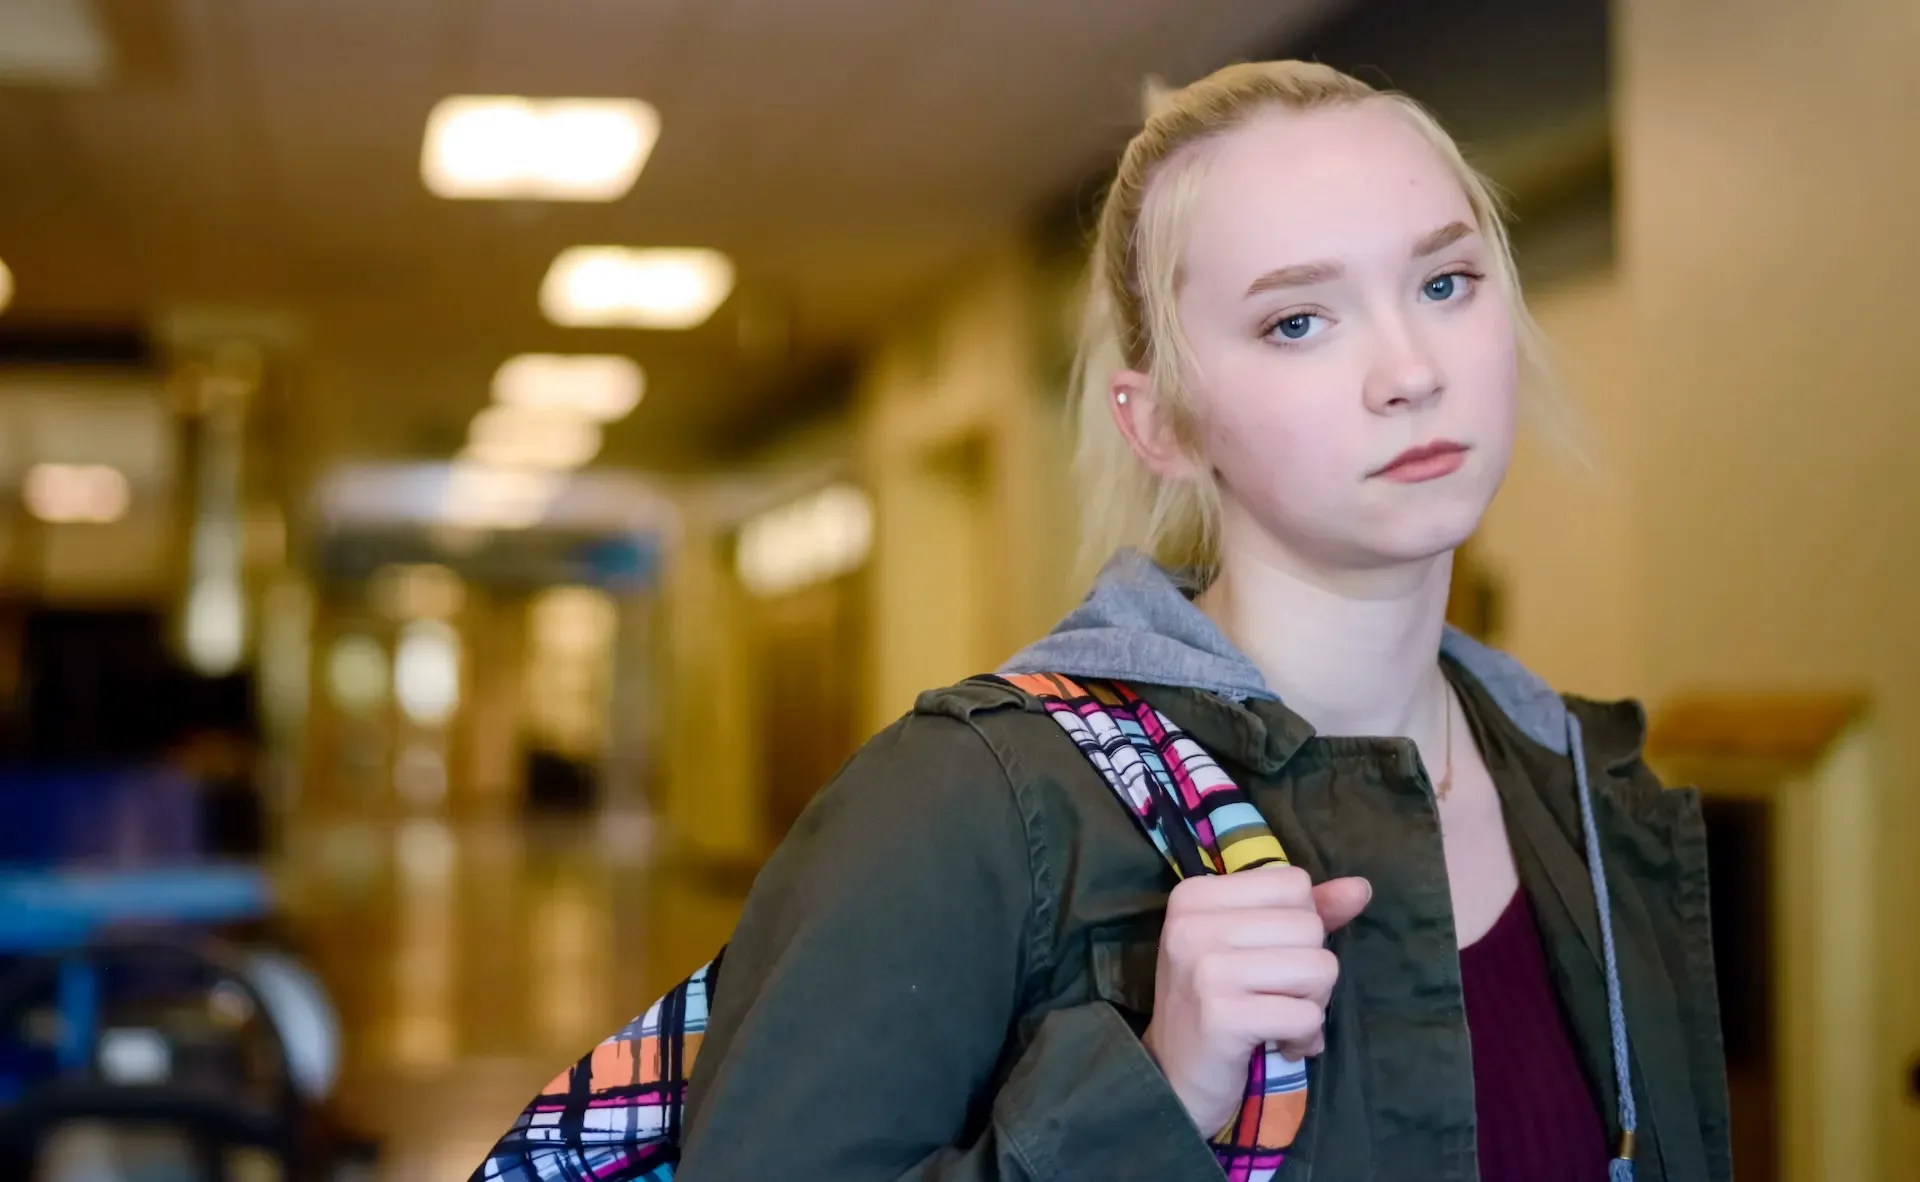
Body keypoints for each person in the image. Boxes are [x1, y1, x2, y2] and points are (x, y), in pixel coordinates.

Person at [675, 61, 1732, 1181]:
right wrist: (1155, 1090)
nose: (1410, 372)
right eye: (1297, 322)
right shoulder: (977, 807)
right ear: (1163, 424)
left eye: (1444, 283)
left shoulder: (1584, 788)